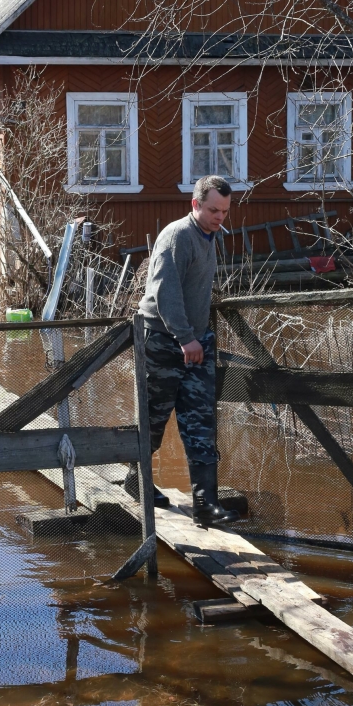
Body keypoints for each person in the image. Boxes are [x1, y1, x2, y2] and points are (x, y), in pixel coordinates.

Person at [124, 174, 238, 527]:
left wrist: (197, 336)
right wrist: (185, 337)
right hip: (162, 340)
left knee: (201, 420)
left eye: (224, 211)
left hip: (195, 341)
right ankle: (136, 480)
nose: (220, 217)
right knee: (154, 418)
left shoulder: (209, 237)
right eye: (213, 209)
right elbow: (164, 292)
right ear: (196, 204)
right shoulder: (177, 235)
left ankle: (206, 505)